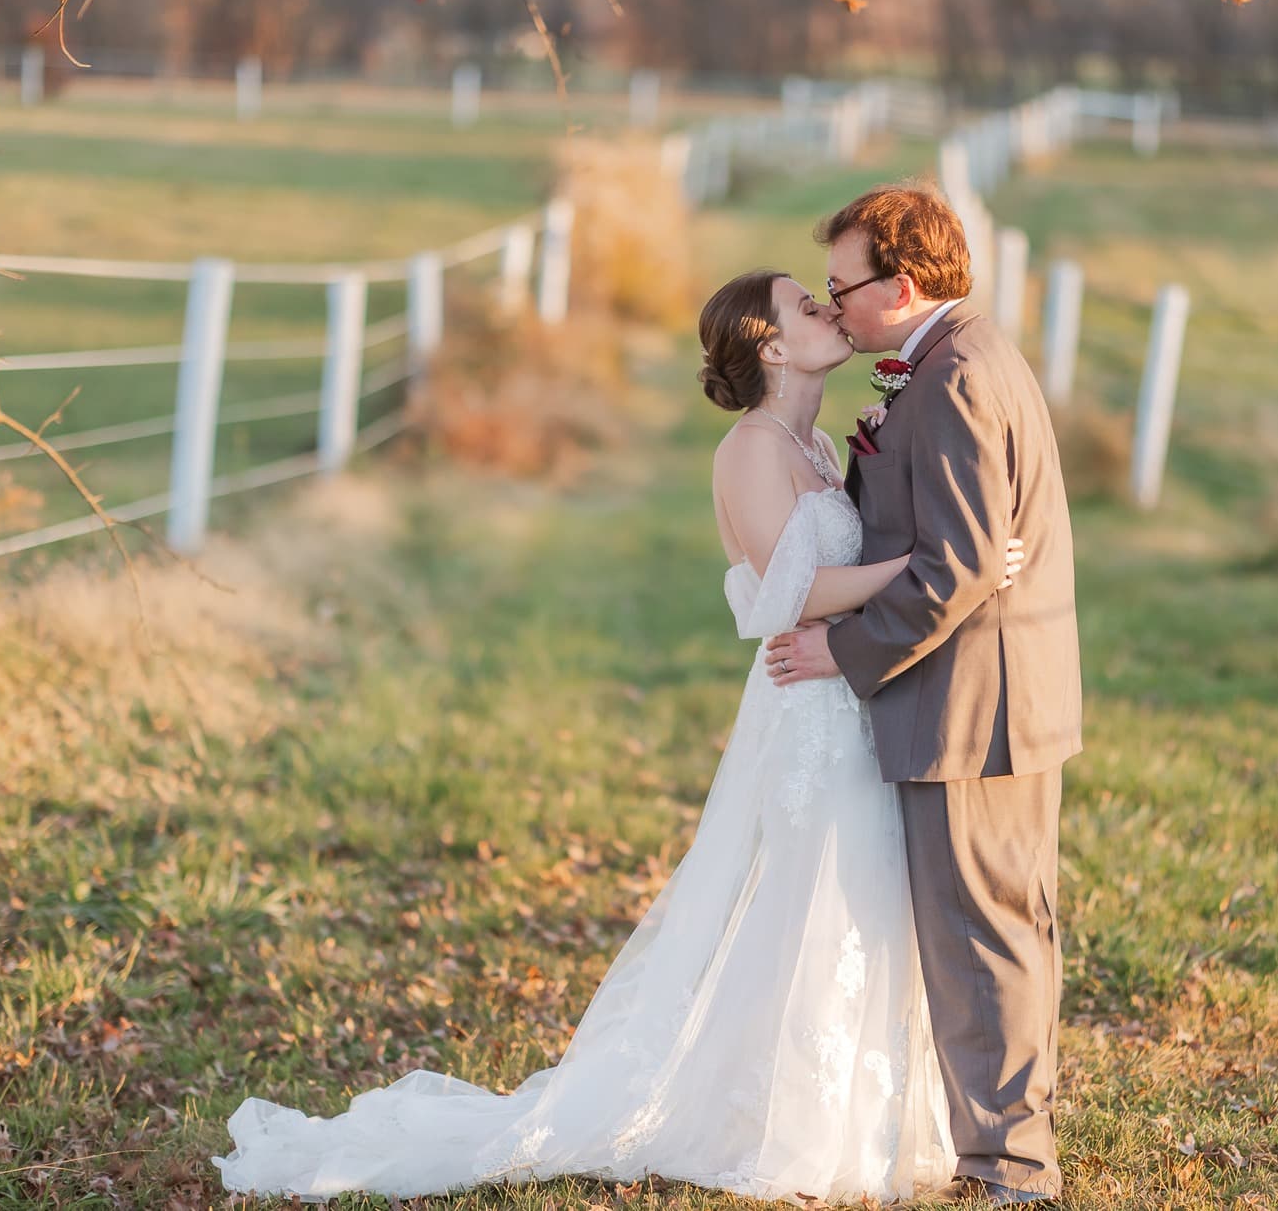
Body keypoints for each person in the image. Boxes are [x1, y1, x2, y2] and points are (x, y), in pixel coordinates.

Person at [211, 267, 1025, 1204]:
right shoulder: (752, 449)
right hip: (807, 714)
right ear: (770, 345)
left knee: (850, 896)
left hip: (840, 698)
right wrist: (939, 568)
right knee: (810, 897)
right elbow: (791, 592)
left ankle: (849, 1113)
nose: (830, 311)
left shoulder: (805, 444)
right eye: (809, 305)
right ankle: (793, 1124)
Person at [767, 184, 1083, 1205]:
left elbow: (954, 569)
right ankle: (1003, 1150)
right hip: (985, 698)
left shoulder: (951, 381)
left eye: (842, 288)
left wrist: (842, 652)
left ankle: (1008, 1168)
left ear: (900, 287)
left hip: (971, 708)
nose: (834, 307)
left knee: (980, 937)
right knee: (996, 927)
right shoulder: (953, 359)